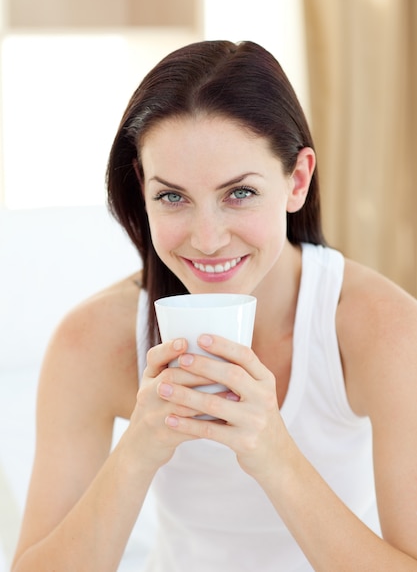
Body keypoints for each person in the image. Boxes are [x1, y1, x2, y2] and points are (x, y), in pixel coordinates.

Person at [11, 40, 417, 571]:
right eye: (173, 196)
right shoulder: (92, 340)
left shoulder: (382, 329)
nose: (207, 239)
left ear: (296, 180)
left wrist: (273, 453)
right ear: (142, 188)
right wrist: (137, 451)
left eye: (239, 193)